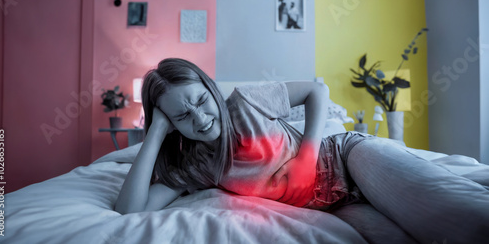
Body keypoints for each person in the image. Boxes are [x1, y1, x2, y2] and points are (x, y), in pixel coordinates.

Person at [115, 58, 489, 243]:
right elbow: (130, 209)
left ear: (210, 88)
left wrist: (307, 154)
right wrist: (156, 132)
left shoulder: (245, 103)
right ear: (171, 124)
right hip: (338, 206)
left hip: (348, 158)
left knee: (459, 219)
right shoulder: (194, 167)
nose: (198, 118)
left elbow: (316, 91)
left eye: (199, 101)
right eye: (181, 115)